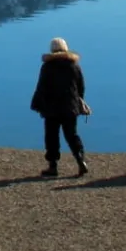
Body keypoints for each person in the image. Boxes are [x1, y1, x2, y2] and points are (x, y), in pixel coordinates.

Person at [30, 37, 88, 178]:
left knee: (51, 136)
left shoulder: (47, 67)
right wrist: (78, 101)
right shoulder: (74, 66)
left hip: (52, 108)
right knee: (72, 135)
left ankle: (53, 167)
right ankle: (81, 161)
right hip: (70, 107)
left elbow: (41, 88)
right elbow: (81, 87)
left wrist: (37, 104)